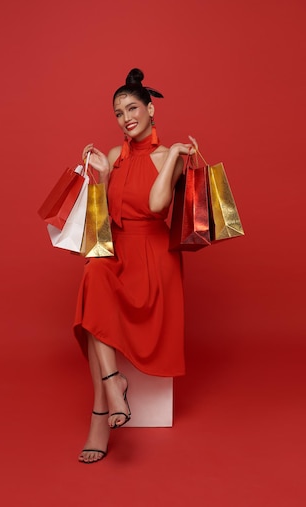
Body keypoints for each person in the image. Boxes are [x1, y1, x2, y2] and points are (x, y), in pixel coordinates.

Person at [74, 68, 197, 463]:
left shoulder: (169, 155)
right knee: (94, 274)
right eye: (117, 112)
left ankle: (100, 414)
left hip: (154, 260)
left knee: (95, 303)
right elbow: (107, 221)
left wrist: (176, 155)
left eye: (132, 107)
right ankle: (114, 385)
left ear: (150, 108)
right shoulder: (113, 157)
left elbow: (158, 207)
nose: (126, 117)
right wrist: (104, 178)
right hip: (120, 252)